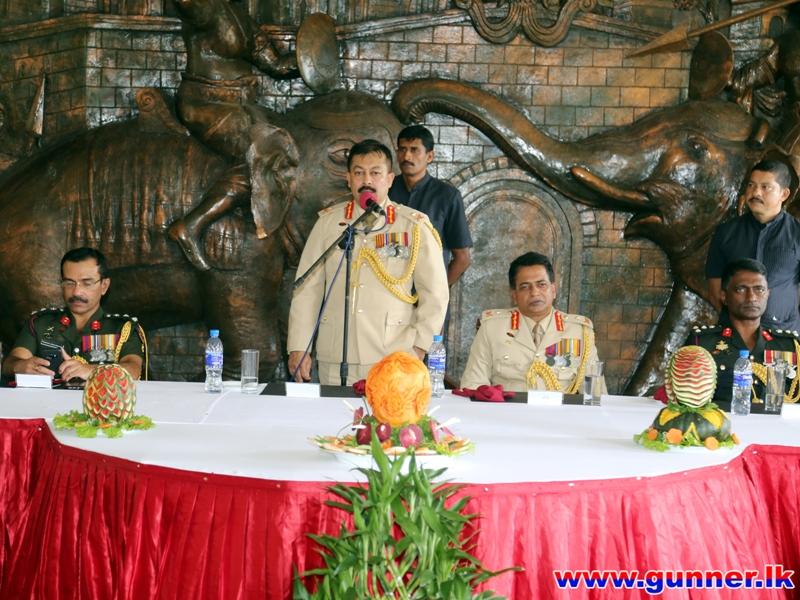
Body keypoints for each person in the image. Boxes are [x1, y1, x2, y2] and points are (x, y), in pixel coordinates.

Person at [287, 139, 449, 385]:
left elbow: (435, 294)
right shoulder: (328, 224)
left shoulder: (413, 226)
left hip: (393, 356)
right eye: (359, 173)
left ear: (390, 179)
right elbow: (308, 288)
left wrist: (419, 348)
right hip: (336, 356)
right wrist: (299, 346)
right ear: (348, 179)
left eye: (375, 173)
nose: (367, 181)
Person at [168, 0, 299, 271]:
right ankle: (192, 225)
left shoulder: (241, 17)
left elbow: (276, 64)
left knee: (285, 143)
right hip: (206, 105)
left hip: (241, 108)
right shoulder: (203, 7)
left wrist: (310, 57)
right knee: (264, 158)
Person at [460, 251, 604, 393]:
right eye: (525, 287)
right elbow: (473, 385)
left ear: (553, 290)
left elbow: (595, 393)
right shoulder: (492, 328)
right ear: (514, 295)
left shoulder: (579, 331)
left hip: (559, 409)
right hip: (508, 408)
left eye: (541, 285)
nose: (534, 292)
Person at [0, 247, 147, 383]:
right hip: (46, 402)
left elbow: (133, 369)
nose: (76, 292)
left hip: (100, 403)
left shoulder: (122, 328)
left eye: (86, 283)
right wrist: (20, 366)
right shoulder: (40, 323)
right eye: (69, 283)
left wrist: (92, 371)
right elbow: (10, 363)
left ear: (104, 286)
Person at [687, 258, 799, 404]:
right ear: (724, 296)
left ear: (767, 294)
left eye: (759, 289)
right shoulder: (702, 343)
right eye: (741, 289)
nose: (751, 297)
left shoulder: (788, 345)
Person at [706, 159, 800, 332]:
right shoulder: (726, 233)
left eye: (765, 187)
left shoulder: (797, 234)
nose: (755, 192)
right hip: (733, 334)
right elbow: (715, 289)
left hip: (783, 334)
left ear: (784, 194)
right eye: (751, 185)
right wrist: (738, 323)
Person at [389, 125, 472, 287]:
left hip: (428, 293)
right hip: (388, 289)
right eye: (402, 149)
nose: (407, 156)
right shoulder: (385, 190)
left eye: (414, 150)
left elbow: (463, 258)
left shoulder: (447, 196)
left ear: (430, 156)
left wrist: (437, 292)